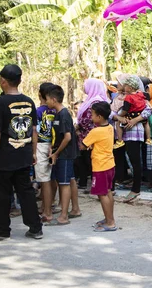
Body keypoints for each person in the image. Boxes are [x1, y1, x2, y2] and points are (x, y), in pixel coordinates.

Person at [0, 64, 42, 241]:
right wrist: (33, 152)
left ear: (3, 81)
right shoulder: (29, 101)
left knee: (0, 194)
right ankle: (35, 228)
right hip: (23, 154)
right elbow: (33, 130)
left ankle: (2, 230)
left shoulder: (0, 103)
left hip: (4, 157)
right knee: (26, 192)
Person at [112, 74, 152, 202]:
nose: (121, 86)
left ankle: (135, 189)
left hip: (133, 131)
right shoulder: (121, 98)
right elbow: (112, 113)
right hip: (125, 129)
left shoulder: (135, 97)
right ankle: (112, 187)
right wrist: (118, 117)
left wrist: (135, 119)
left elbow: (149, 110)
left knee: (135, 160)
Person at [45, 85, 79, 226]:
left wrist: (56, 153)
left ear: (54, 99)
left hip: (65, 154)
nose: (46, 102)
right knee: (70, 180)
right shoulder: (58, 114)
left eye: (47, 99)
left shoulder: (64, 114)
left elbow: (67, 137)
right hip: (61, 152)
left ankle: (63, 216)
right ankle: (75, 209)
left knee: (64, 184)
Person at [83, 102, 117, 232]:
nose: (91, 117)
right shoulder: (109, 127)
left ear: (99, 116)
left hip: (100, 166)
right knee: (107, 192)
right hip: (109, 164)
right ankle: (109, 218)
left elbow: (83, 145)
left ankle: (110, 222)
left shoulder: (95, 131)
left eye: (92, 114)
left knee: (102, 194)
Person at [75, 79, 110, 191]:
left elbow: (88, 118)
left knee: (88, 159)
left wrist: (78, 126)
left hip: (89, 134)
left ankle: (92, 184)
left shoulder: (96, 102)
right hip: (86, 132)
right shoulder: (92, 100)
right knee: (86, 159)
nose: (84, 88)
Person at [35, 82, 56, 222]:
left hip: (41, 145)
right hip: (53, 146)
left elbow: (34, 132)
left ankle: (47, 212)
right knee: (51, 178)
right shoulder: (55, 110)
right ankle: (47, 206)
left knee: (44, 180)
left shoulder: (38, 111)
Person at [114, 75, 152, 148]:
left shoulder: (128, 97)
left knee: (118, 123)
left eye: (119, 82)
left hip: (133, 130)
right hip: (134, 121)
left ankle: (120, 140)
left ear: (129, 87)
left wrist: (120, 116)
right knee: (146, 123)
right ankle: (148, 138)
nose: (117, 84)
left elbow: (149, 109)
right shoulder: (140, 94)